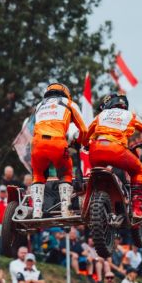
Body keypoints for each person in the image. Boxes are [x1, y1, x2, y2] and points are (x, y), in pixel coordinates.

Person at [87, 93, 142, 218]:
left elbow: (85, 133)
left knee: (93, 175)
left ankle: (87, 202)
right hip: (116, 150)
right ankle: (137, 208)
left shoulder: (101, 115)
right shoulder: (130, 115)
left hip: (95, 150)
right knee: (139, 171)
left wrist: (84, 144)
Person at [30, 83, 87, 218]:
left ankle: (36, 211)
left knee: (38, 175)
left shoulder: (39, 105)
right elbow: (84, 130)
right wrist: (81, 143)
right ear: (66, 93)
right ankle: (65, 210)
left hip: (37, 144)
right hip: (57, 143)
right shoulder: (69, 103)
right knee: (65, 174)